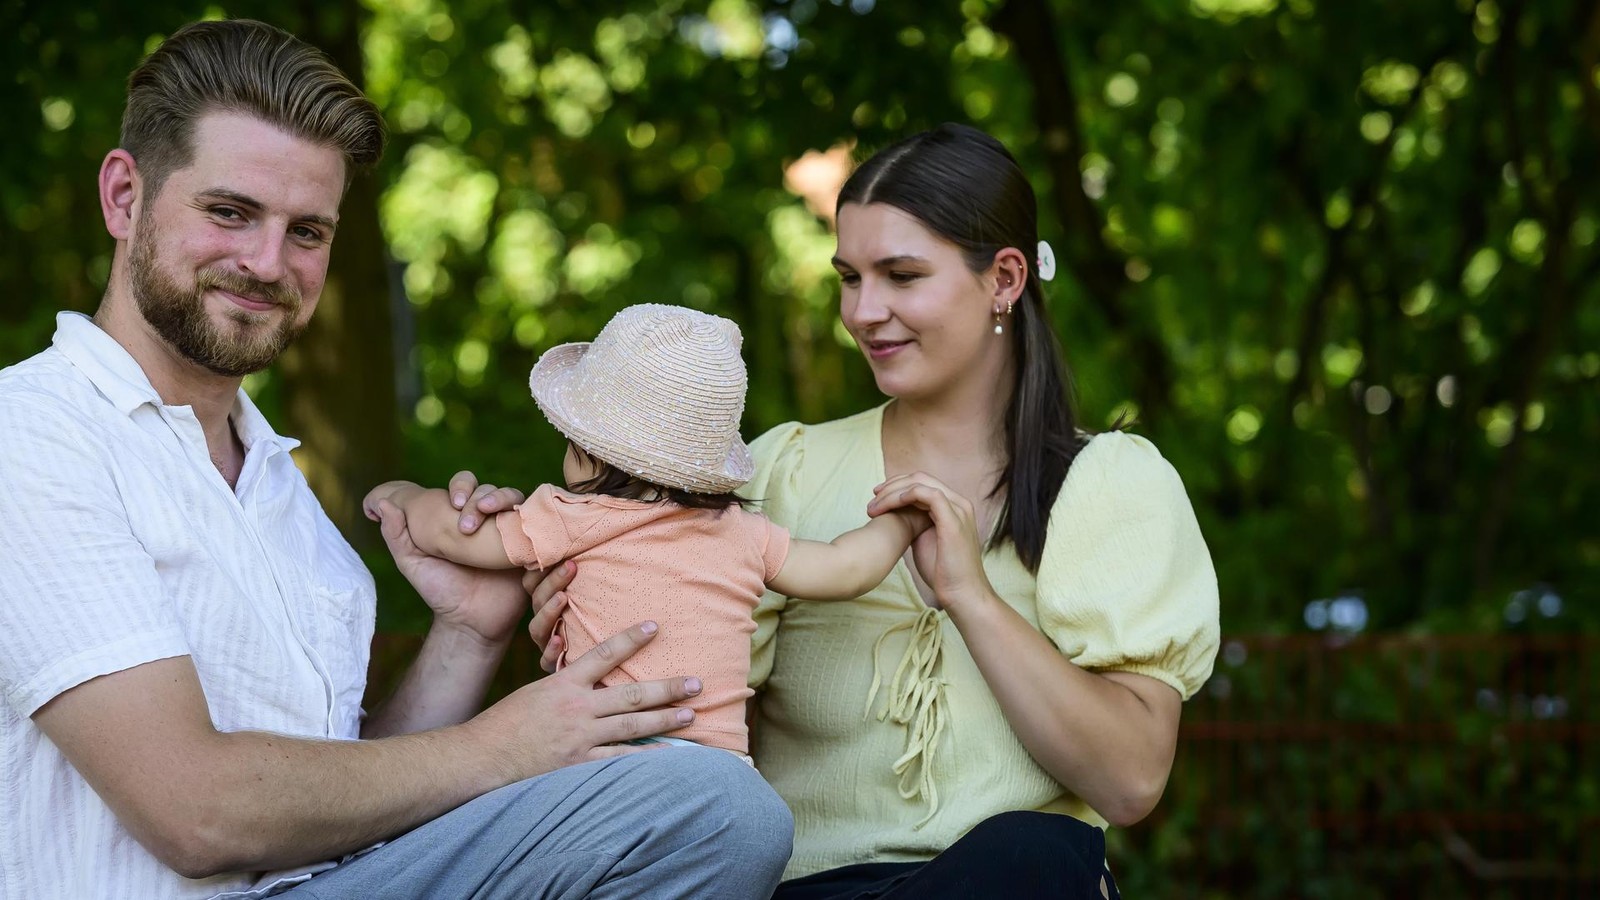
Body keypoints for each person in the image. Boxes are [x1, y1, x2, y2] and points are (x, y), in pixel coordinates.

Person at [0, 19, 789, 900]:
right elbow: (198, 813)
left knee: (704, 803)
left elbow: (341, 804)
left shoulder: (277, 487)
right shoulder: (32, 437)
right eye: (229, 212)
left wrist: (469, 631)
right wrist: (504, 745)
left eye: (308, 231)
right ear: (123, 196)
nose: (267, 261)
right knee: (713, 807)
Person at [518, 123, 1221, 898]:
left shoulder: (1111, 485)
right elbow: (679, 735)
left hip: (1014, 885)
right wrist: (602, 608)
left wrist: (971, 598)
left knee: (1036, 853)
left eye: (901, 275)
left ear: (1006, 279)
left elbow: (1128, 782)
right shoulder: (785, 470)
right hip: (812, 887)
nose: (864, 311)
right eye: (850, 278)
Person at [363, 303, 930, 761]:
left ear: (590, 452)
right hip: (722, 766)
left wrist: (403, 496)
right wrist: (905, 519)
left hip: (611, 757)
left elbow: (455, 533)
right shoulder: (741, 533)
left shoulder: (572, 517)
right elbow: (845, 567)